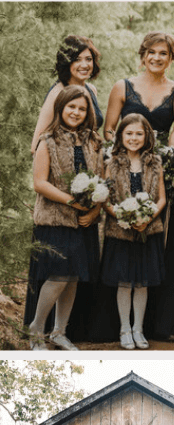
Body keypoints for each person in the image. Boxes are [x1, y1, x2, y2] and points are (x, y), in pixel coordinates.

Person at [25, 85, 104, 350]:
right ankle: (37, 328)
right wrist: (71, 201)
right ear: (60, 108)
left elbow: (102, 181)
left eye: (82, 108)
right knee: (58, 275)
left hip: (84, 221)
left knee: (73, 277)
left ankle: (59, 332)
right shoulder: (47, 140)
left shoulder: (94, 141)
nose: (77, 112)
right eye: (71, 106)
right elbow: (39, 183)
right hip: (55, 219)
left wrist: (93, 211)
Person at [101, 114, 167, 350]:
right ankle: (124, 329)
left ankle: (139, 328)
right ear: (120, 136)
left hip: (148, 232)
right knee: (125, 283)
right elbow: (105, 199)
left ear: (147, 136)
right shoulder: (112, 163)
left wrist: (147, 218)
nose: (134, 138)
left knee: (142, 283)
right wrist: (123, 215)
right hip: (120, 231)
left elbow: (161, 198)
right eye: (129, 133)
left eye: (139, 133)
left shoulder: (155, 162)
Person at [31, 35, 103, 154]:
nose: (85, 65)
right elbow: (36, 146)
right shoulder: (57, 93)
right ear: (67, 62)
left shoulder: (91, 90)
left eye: (88, 59)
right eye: (77, 59)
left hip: (89, 165)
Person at [104, 31, 174, 143]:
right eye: (151, 52)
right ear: (143, 55)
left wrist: (170, 155)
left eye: (163, 53)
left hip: (162, 158)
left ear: (171, 58)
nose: (156, 58)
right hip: (126, 156)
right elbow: (109, 130)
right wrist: (122, 151)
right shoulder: (122, 87)